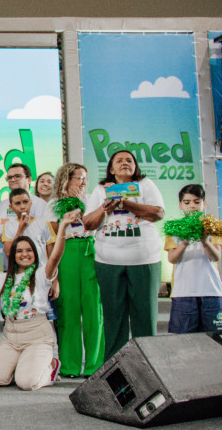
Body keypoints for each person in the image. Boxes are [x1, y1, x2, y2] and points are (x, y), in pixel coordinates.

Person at [0, 211, 78, 391]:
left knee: (26, 383)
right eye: (19, 251)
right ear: (13, 255)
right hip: (10, 338)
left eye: (29, 250)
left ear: (35, 253)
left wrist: (63, 226)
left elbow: (55, 257)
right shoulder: (2, 279)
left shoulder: (41, 274)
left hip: (37, 336)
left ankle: (50, 368)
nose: (24, 254)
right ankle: (23, 364)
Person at [83, 150, 164, 359]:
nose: (125, 163)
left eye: (129, 160)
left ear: (135, 166)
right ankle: (114, 368)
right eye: (119, 160)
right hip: (108, 263)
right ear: (111, 169)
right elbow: (88, 223)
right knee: (113, 319)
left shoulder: (145, 184)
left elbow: (158, 213)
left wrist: (124, 202)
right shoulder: (101, 189)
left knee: (145, 318)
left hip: (144, 261)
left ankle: (147, 366)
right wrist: (106, 206)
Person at [45, 163, 104, 378]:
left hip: (90, 251)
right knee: (67, 310)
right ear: (66, 179)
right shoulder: (54, 204)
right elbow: (50, 241)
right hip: (65, 253)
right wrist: (54, 275)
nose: (83, 182)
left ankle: (95, 365)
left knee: (93, 310)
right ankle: (69, 365)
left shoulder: (91, 200)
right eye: (79, 177)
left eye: (85, 178)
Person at [165, 184, 222, 334]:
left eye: (197, 202)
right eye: (187, 202)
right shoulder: (174, 229)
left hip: (211, 291)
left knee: (215, 339)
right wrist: (184, 242)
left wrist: (204, 240)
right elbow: (172, 258)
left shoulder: (213, 227)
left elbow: (216, 257)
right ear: (180, 205)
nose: (192, 206)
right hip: (183, 292)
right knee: (183, 339)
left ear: (204, 203)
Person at [0, 163, 48, 233]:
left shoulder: (40, 204)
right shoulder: (1, 205)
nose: (13, 180)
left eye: (17, 176)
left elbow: (45, 232)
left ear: (29, 179)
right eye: (10, 177)